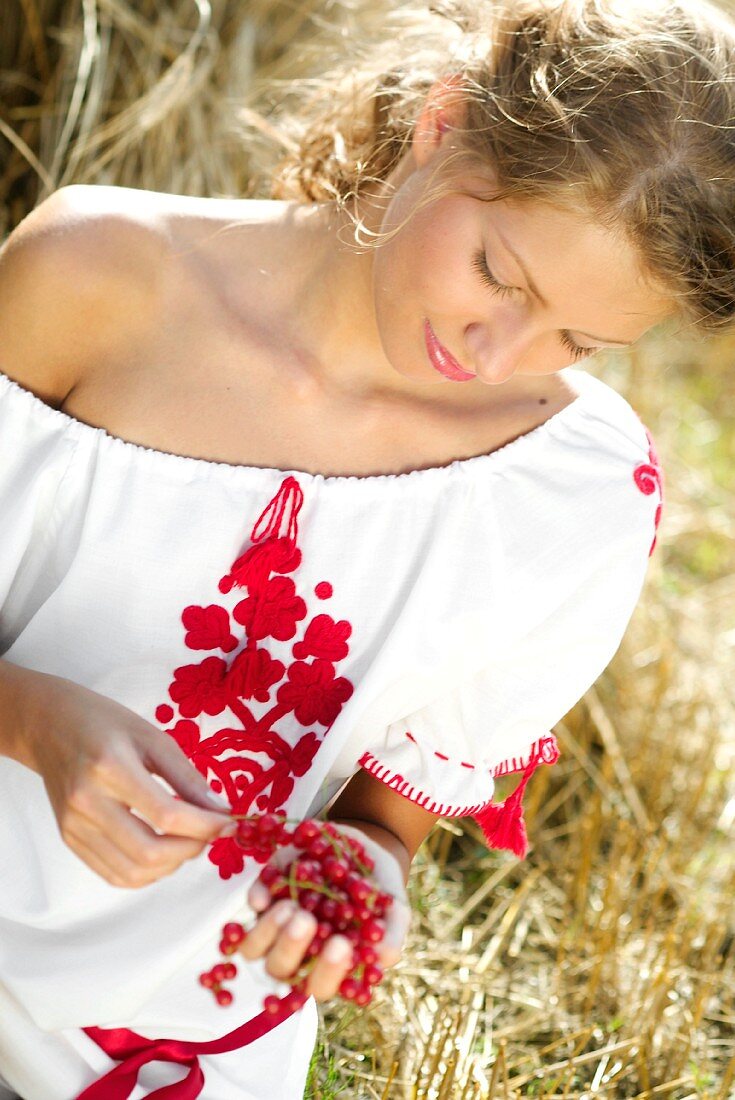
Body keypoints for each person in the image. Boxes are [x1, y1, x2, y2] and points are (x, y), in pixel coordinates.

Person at [0, 0, 732, 1095]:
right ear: (442, 123)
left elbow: (385, 808)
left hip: (178, 1025)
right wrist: (30, 717)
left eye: (578, 339)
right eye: (498, 272)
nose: (497, 355)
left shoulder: (573, 497)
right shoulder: (95, 276)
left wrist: (369, 860)